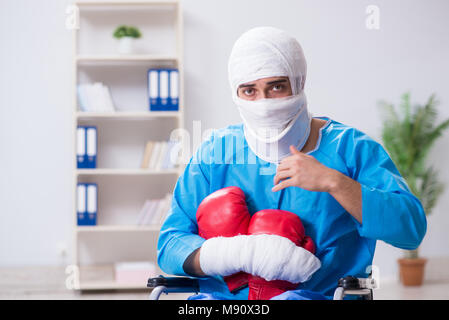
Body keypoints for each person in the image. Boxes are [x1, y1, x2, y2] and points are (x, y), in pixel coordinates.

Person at [157, 26, 427, 300]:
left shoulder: (351, 149)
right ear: (236, 93)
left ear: (299, 83)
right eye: (249, 91)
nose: (263, 103)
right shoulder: (215, 152)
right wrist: (235, 253)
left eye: (276, 87)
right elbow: (170, 244)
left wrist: (335, 182)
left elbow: (410, 231)